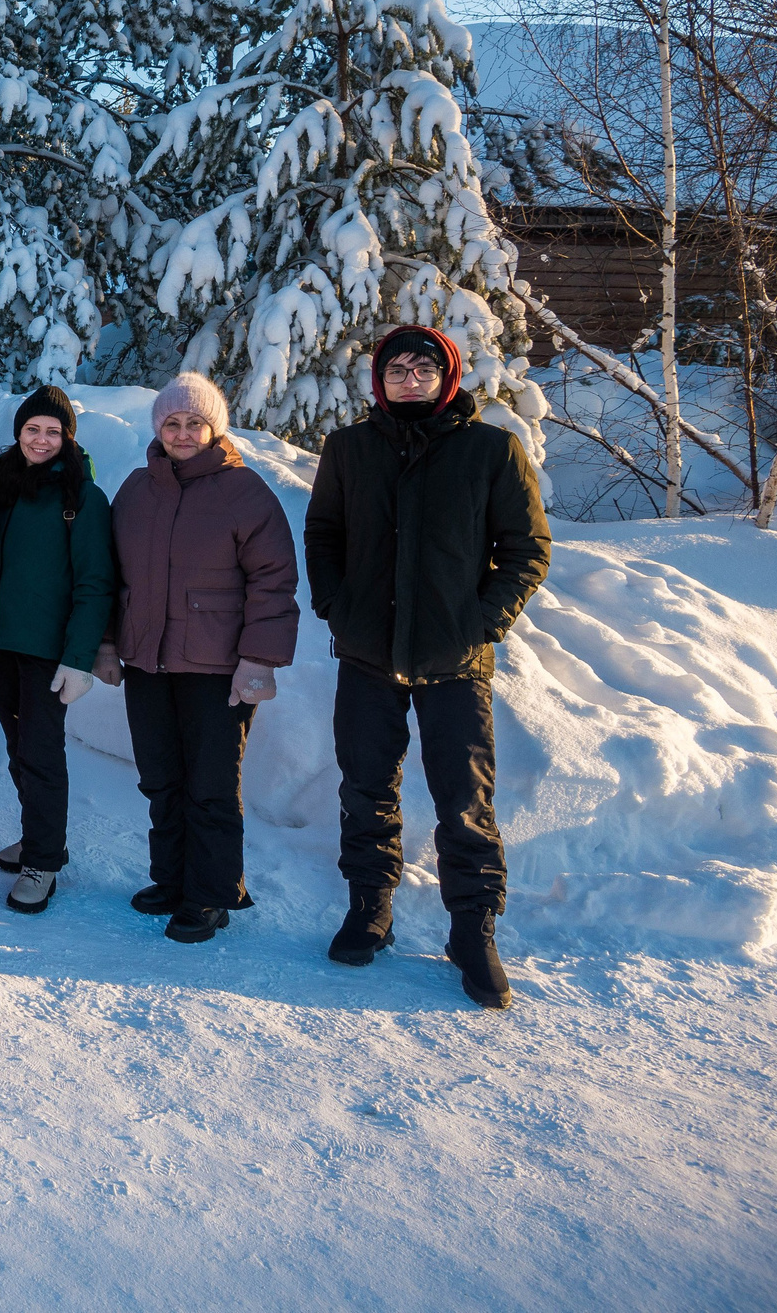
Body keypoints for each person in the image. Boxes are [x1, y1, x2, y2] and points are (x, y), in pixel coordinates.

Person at [305, 327, 550, 1010]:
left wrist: (480, 624)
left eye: (424, 368)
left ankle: (472, 929)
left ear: (449, 376)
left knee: (464, 800)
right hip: (367, 654)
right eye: (397, 367)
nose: (409, 378)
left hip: (455, 660)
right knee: (366, 786)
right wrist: (337, 606)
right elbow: (323, 533)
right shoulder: (349, 448)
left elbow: (526, 548)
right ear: (377, 377)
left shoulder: (490, 449)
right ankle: (370, 906)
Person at [109, 373, 298, 943]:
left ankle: (212, 893)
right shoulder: (137, 490)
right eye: (173, 423)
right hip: (148, 663)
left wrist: (259, 659)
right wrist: (106, 643)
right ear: (158, 428)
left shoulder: (245, 492)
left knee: (211, 785)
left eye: (195, 423)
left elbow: (274, 581)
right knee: (161, 780)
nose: (184, 433)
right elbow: (112, 575)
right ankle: (172, 880)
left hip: (218, 668)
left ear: (215, 428)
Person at [0, 385, 115, 915]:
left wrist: (80, 656)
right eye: (33, 429)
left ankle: (43, 863)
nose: (41, 439)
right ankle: (40, 840)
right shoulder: (1, 487)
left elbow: (95, 582)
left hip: (49, 652)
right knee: (17, 748)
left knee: (41, 754)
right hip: (2, 643)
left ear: (68, 439)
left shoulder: (83, 498)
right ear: (18, 432)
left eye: (53, 431)